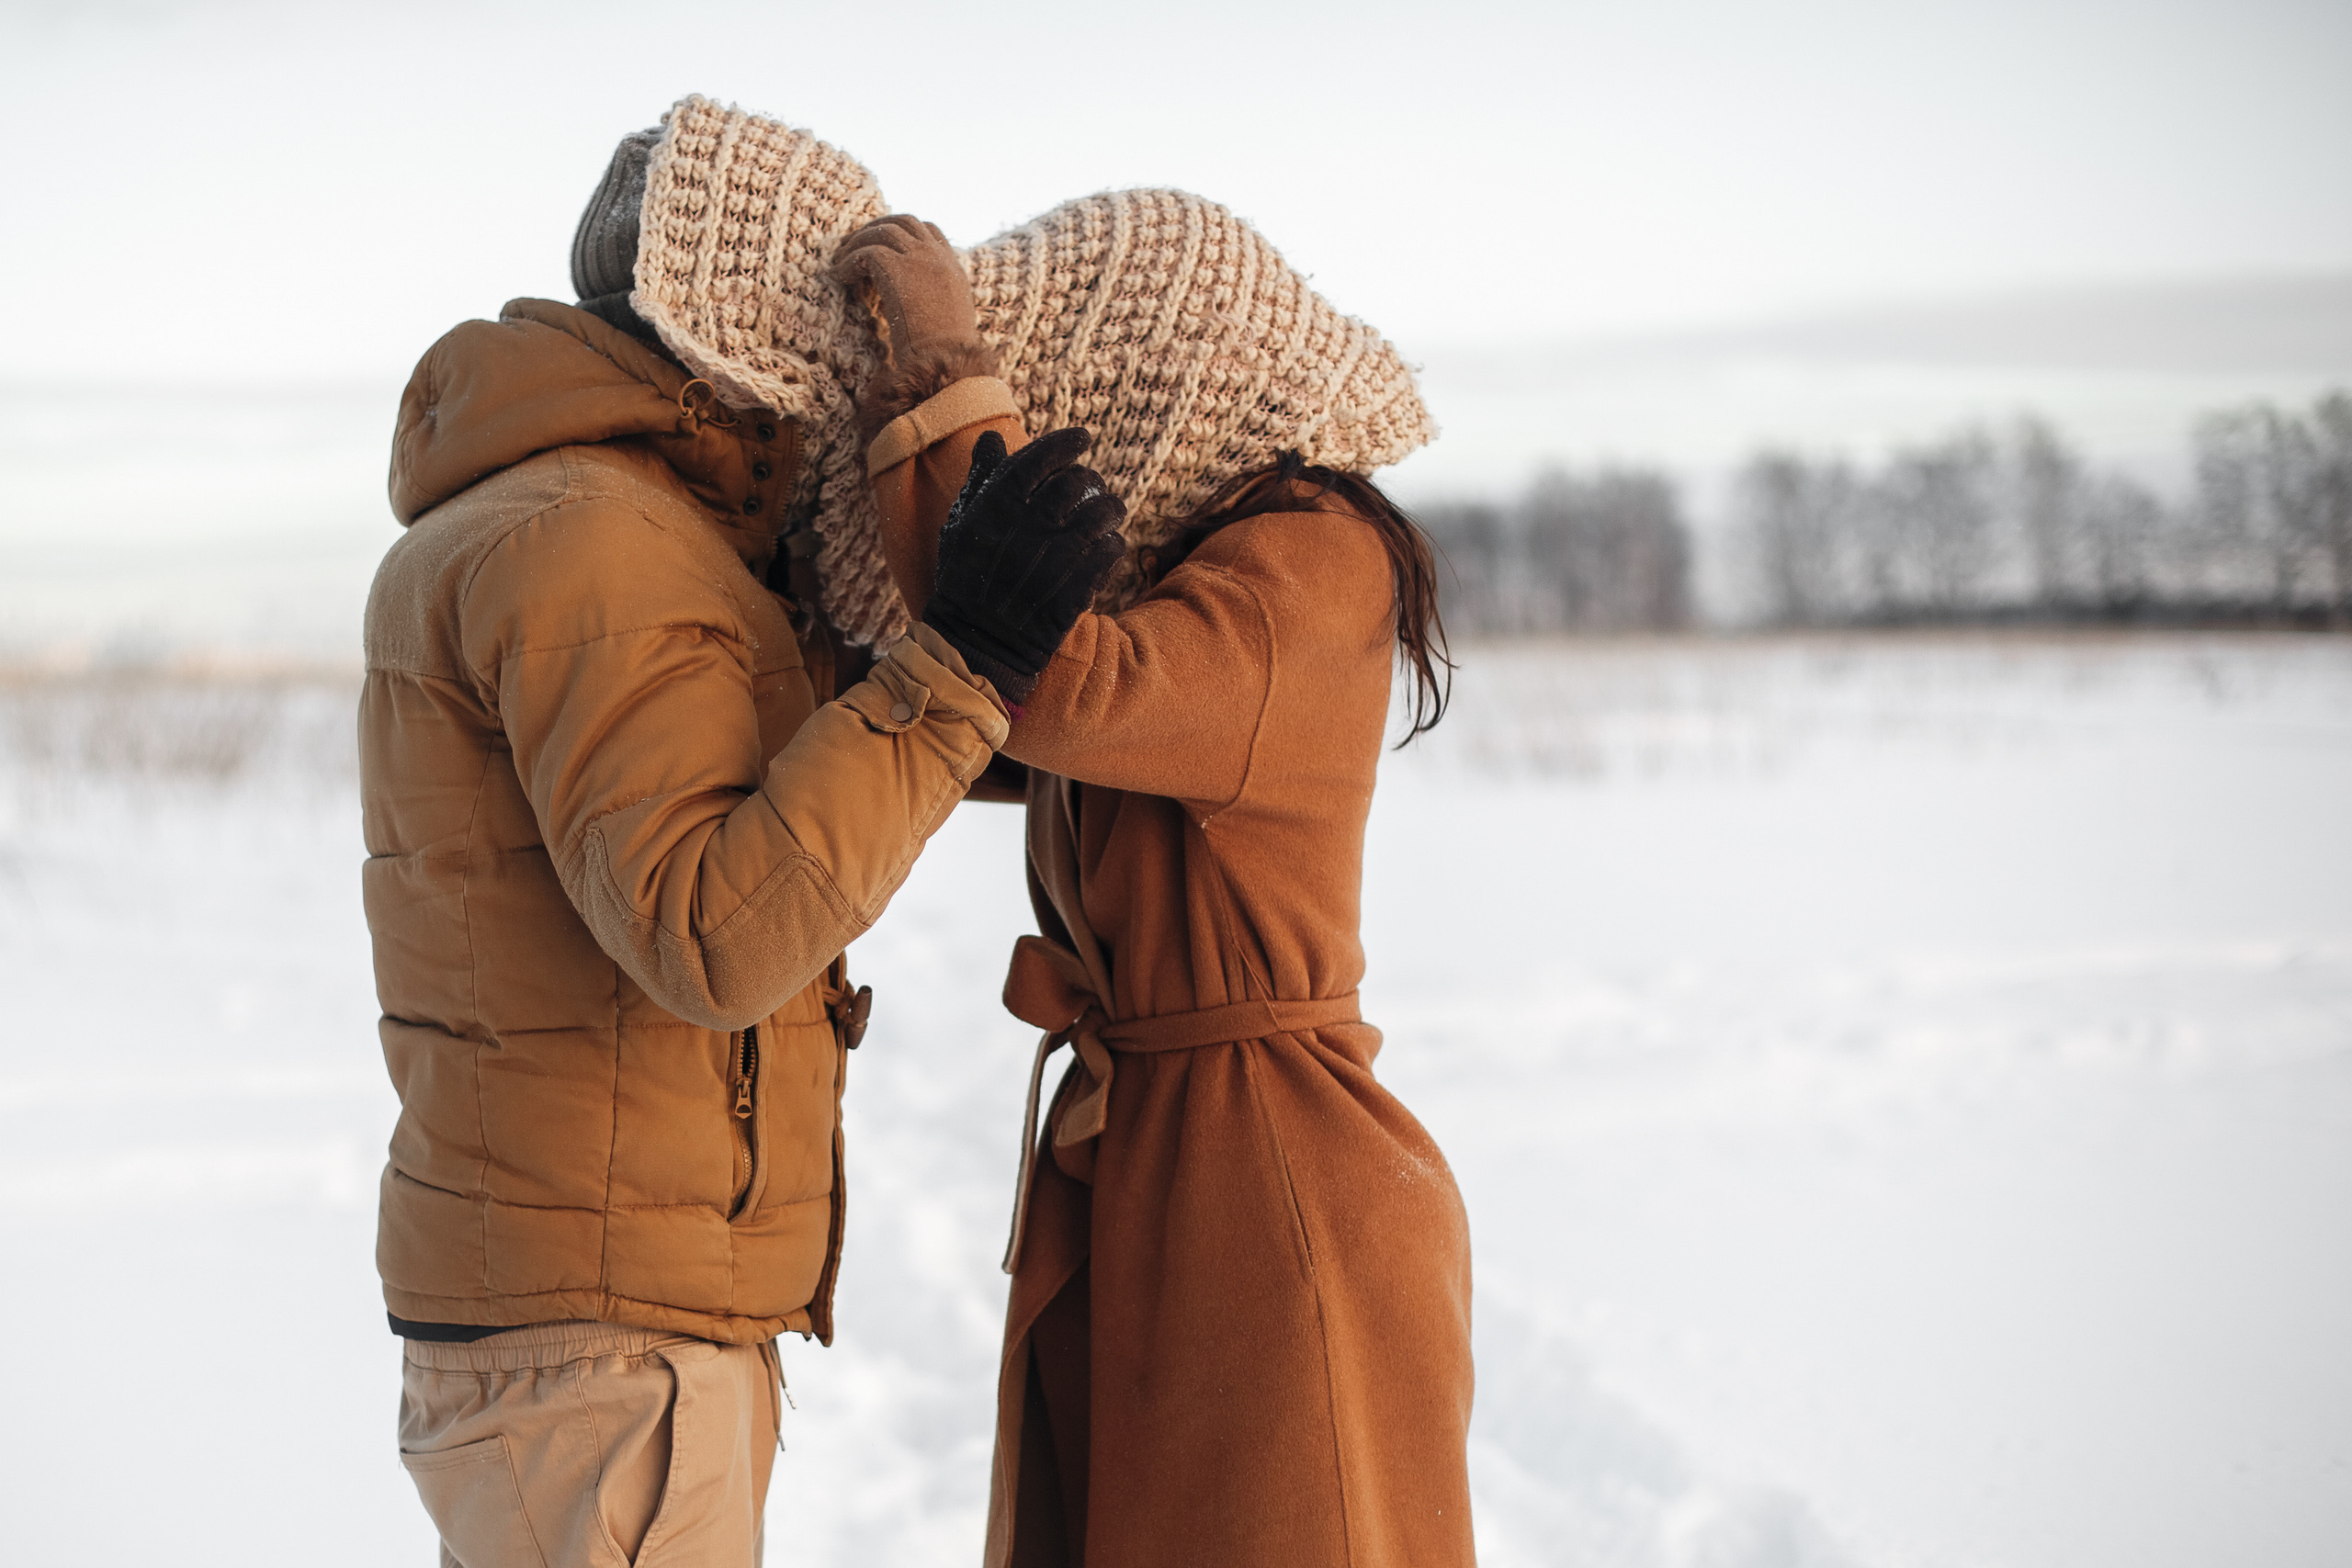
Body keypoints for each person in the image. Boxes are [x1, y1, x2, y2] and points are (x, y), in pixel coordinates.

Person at [362, 97, 1121, 1566]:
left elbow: (771, 793)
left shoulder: (601, 526)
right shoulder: (596, 539)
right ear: (742, 317)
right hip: (608, 1357)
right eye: (828, 320)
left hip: (584, 1323)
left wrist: (1006, 685)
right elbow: (715, 929)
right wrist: (963, 659)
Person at [832, 192, 1476, 1567]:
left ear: (1191, 376)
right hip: (1174, 1162)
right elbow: (1012, 719)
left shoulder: (1312, 560)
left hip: (1272, 1185)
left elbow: (1046, 675)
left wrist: (947, 381)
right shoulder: (1204, 578)